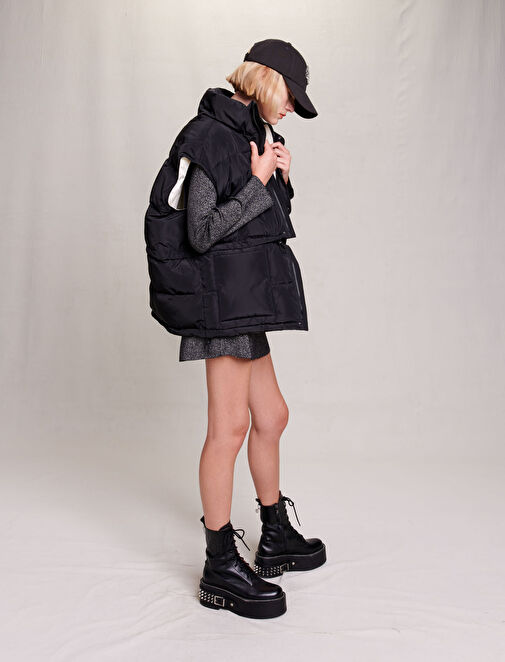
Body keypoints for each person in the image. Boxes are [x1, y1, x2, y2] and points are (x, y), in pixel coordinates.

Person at [144, 39, 326, 619]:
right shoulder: (208, 136)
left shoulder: (252, 135)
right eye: (290, 96)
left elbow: (258, 226)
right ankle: (219, 566)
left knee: (272, 416)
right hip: (219, 304)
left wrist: (279, 181)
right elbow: (201, 232)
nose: (291, 108)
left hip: (244, 300)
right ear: (266, 80)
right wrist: (256, 182)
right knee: (229, 429)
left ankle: (274, 535)